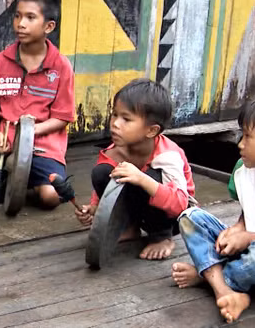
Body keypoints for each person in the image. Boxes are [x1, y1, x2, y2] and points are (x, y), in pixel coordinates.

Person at [171, 95, 255, 324]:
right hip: (249, 252)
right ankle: (226, 290)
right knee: (190, 217)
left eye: (248, 136)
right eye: (241, 135)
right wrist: (238, 228)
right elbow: (251, 208)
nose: (240, 144)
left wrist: (249, 238)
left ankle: (210, 277)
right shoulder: (243, 170)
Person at [0, 0, 74, 208]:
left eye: (30, 18)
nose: (21, 23)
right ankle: (11, 176)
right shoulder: (1, 61)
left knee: (51, 197)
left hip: (42, 147)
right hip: (2, 142)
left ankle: (22, 180)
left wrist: (28, 132)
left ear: (48, 26)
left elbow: (63, 117)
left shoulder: (61, 67)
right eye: (17, 16)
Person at [74, 78, 196, 260]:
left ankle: (162, 237)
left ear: (151, 130)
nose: (115, 123)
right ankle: (129, 227)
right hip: (141, 207)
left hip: (177, 218)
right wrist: (94, 206)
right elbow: (104, 185)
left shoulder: (168, 157)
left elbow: (180, 204)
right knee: (102, 171)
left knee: (150, 177)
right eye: (115, 114)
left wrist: (142, 179)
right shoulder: (114, 152)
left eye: (126, 119)